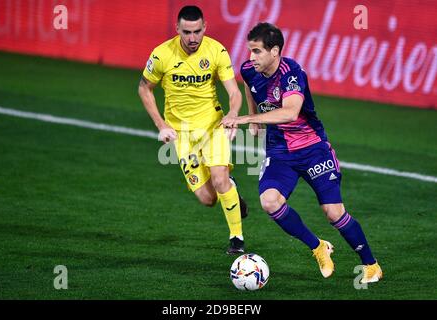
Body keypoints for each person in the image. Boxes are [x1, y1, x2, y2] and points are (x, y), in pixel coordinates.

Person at [221, 22, 382, 283]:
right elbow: (250, 89)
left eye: (257, 51)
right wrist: (254, 120)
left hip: (312, 149)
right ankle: (318, 247)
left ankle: (371, 265)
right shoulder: (249, 70)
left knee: (333, 212)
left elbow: (290, 112)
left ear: (275, 51)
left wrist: (242, 119)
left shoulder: (291, 73)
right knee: (269, 201)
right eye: (250, 50)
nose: (251, 57)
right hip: (280, 151)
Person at [138, 5, 248, 255]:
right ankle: (230, 189)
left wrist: (232, 115)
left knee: (219, 178)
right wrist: (161, 125)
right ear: (177, 29)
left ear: (204, 27)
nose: (192, 38)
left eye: (197, 31)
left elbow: (233, 91)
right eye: (187, 32)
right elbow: (144, 88)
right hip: (182, 135)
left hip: (213, 127)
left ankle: (237, 239)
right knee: (208, 199)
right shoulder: (162, 55)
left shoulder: (216, 50)